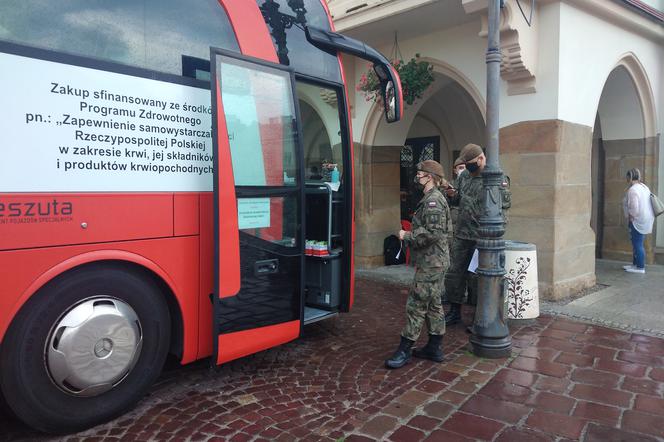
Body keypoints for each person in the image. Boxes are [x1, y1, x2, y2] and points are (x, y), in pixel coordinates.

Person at [385, 160, 452, 369]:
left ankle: (405, 349)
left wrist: (407, 235)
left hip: (432, 262)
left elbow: (433, 233)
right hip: (434, 261)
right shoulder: (432, 198)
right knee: (433, 304)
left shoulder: (433, 201)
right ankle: (434, 347)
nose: (417, 177)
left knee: (416, 303)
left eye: (420, 174)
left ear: (429, 177)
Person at [443, 143, 487, 325]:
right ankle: (455, 311)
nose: (467, 166)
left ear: (481, 158)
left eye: (469, 162)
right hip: (462, 234)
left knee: (477, 278)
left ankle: (480, 317)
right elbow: (458, 199)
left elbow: (499, 210)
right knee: (454, 273)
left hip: (481, 237)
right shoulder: (464, 177)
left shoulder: (494, 178)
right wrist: (452, 194)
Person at [622, 168, 655, 274]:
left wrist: (631, 216)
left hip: (637, 220)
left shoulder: (633, 189)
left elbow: (634, 207)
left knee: (637, 243)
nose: (626, 179)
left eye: (627, 176)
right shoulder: (644, 187)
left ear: (630, 177)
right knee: (637, 242)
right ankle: (635, 264)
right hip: (645, 219)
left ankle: (640, 267)